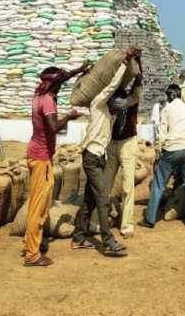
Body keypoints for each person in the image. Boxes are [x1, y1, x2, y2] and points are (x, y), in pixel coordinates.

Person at [71, 49, 139, 257]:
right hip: (91, 157)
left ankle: (79, 237)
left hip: (99, 158)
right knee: (103, 199)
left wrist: (138, 68)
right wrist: (125, 62)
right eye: (117, 105)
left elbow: (132, 96)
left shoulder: (110, 116)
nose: (118, 110)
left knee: (90, 201)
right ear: (110, 101)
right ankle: (108, 241)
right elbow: (111, 87)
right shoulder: (99, 105)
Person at [23, 62, 90, 266]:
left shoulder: (39, 95)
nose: (62, 85)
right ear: (55, 85)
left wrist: (78, 71)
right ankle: (32, 254)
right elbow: (53, 128)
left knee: (41, 203)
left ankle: (32, 243)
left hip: (38, 155)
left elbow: (62, 77)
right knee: (38, 206)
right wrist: (69, 117)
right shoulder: (48, 102)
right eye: (60, 82)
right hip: (41, 158)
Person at [139, 84, 185, 229]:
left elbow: (163, 132)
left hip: (172, 149)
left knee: (159, 185)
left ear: (170, 95)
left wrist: (158, 150)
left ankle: (150, 219)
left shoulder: (167, 109)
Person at [102, 62, 142, 239]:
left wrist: (137, 60)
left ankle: (126, 226)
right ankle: (99, 222)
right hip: (112, 144)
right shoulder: (107, 103)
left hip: (127, 143)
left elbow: (139, 80)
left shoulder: (132, 101)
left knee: (127, 187)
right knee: (105, 186)